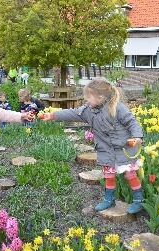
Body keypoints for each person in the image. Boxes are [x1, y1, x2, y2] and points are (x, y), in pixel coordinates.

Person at [42, 78, 144, 214]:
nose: (86, 100)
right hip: (106, 150)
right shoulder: (88, 111)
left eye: (89, 97)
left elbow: (132, 122)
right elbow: (72, 113)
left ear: (100, 97)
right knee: (109, 175)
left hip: (124, 148)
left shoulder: (117, 107)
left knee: (130, 174)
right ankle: (109, 200)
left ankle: (138, 201)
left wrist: (137, 136)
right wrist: (54, 115)